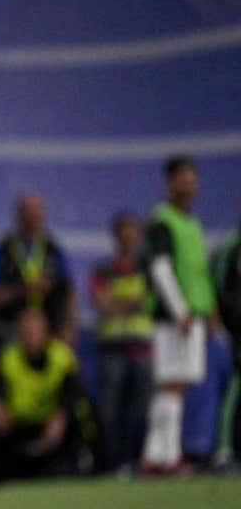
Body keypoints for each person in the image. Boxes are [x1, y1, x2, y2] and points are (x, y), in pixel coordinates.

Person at [141, 156, 216, 473]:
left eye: (192, 177)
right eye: (182, 177)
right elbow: (160, 269)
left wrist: (209, 310)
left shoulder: (192, 223)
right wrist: (181, 311)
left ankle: (156, 456)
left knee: (175, 385)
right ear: (169, 182)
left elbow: (198, 272)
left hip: (194, 314)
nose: (189, 183)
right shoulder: (163, 220)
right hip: (173, 316)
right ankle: (168, 458)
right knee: (172, 384)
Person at [0, 192, 77, 372]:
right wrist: (22, 290)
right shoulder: (1, 251)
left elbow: (69, 292)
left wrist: (68, 329)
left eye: (36, 212)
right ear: (17, 215)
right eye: (27, 212)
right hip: (9, 330)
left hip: (49, 331)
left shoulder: (53, 251)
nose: (32, 217)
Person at [0, 309, 83, 481]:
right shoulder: (7, 356)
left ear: (45, 332)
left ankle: (81, 466)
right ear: (19, 333)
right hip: (17, 425)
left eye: (35, 330)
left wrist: (61, 417)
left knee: (82, 413)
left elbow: (73, 392)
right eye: (26, 330)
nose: (30, 335)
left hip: (50, 424)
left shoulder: (62, 356)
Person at [90, 211, 153, 472]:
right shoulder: (103, 269)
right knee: (109, 410)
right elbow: (102, 305)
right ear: (115, 236)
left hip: (142, 348)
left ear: (138, 235)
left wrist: (118, 302)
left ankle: (135, 460)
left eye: (132, 230)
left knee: (140, 410)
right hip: (111, 348)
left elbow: (151, 301)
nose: (128, 236)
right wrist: (133, 302)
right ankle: (112, 463)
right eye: (123, 230)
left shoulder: (149, 268)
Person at [213, 204, 241, 465]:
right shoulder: (231, 246)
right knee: (236, 384)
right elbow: (221, 289)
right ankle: (223, 449)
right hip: (238, 329)